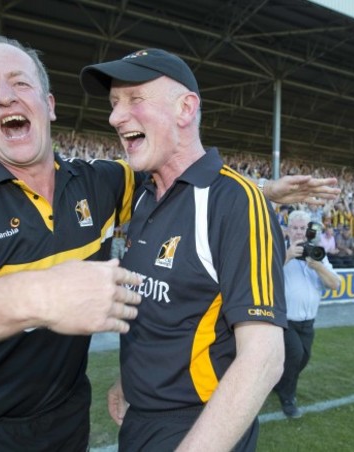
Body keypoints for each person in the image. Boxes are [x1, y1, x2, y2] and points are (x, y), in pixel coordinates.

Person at [0, 33, 339, 451]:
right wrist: (37, 296)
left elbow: (186, 184)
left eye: (20, 83)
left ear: (48, 106)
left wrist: (260, 191)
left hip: (66, 426)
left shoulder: (102, 184)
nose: (5, 96)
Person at [80, 48, 290, 451]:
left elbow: (264, 359)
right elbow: (166, 309)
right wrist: (133, 381)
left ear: (185, 108)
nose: (114, 117)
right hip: (139, 419)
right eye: (113, 104)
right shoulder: (144, 198)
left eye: (135, 99)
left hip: (200, 424)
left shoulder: (237, 202)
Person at [273, 210, 340, 418]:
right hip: (284, 318)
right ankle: (288, 399)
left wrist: (318, 266)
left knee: (304, 358)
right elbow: (263, 275)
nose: (299, 232)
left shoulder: (317, 253)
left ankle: (277, 382)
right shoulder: (277, 250)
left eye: (303, 228)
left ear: (308, 231)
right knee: (295, 356)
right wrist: (287, 256)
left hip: (308, 321)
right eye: (295, 228)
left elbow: (335, 284)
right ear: (287, 230)